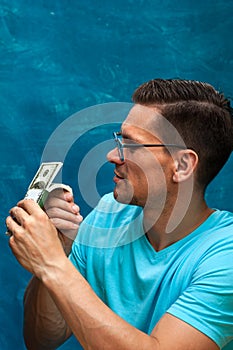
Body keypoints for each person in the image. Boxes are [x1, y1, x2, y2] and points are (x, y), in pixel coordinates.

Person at [6, 78, 233, 350]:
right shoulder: (108, 214)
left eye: (132, 145)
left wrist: (52, 264)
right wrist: (59, 252)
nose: (112, 155)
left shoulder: (225, 256)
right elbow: (41, 340)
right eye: (119, 140)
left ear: (182, 165)